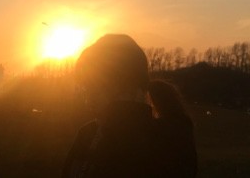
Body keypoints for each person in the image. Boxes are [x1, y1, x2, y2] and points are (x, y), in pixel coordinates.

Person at [61, 34, 197, 178]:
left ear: (127, 86)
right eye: (85, 87)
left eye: (93, 86)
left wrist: (126, 115)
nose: (87, 98)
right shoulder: (88, 134)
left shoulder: (168, 140)